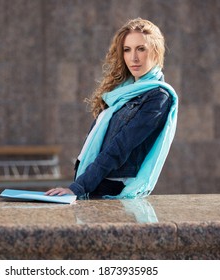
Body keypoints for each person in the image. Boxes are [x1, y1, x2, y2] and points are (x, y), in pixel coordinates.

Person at [46, 18, 178, 199]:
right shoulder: (122, 91)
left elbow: (120, 147)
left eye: (141, 49)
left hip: (114, 191)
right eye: (127, 50)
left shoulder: (158, 97)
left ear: (155, 52)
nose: (134, 58)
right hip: (96, 184)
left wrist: (78, 187)